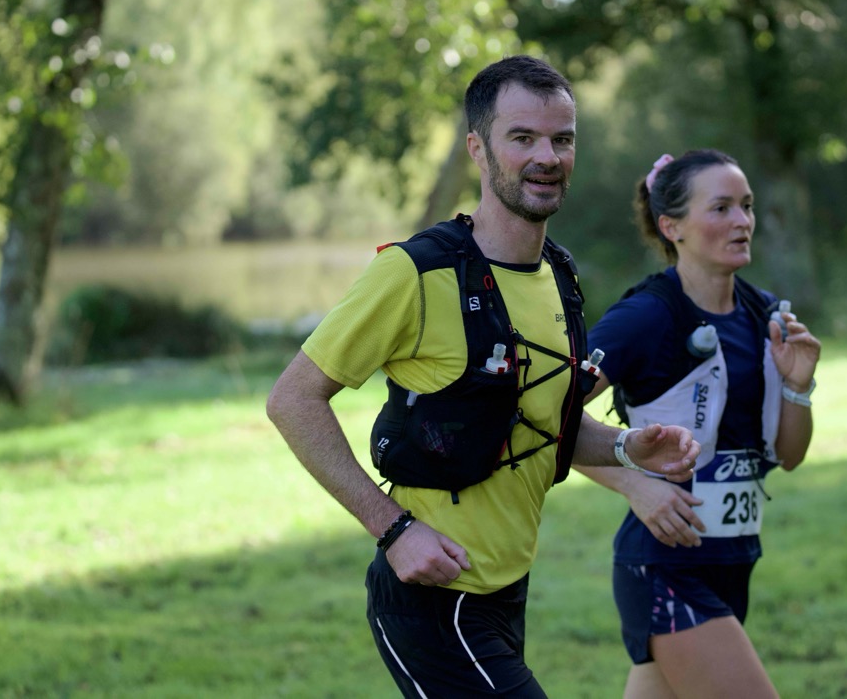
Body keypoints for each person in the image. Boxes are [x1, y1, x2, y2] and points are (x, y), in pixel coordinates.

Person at [265, 55, 701, 698]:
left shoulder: (558, 275)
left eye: (562, 139)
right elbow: (293, 399)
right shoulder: (415, 272)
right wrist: (393, 530)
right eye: (522, 138)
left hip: (505, 591)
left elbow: (533, 422)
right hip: (431, 598)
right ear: (478, 148)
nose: (546, 157)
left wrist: (626, 447)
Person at [576, 149, 821, 699]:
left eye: (747, 206)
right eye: (721, 208)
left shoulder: (765, 315)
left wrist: (797, 387)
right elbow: (544, 414)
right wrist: (637, 487)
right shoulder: (645, 316)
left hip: (733, 562)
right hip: (665, 566)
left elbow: (791, 455)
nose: (742, 221)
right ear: (672, 227)